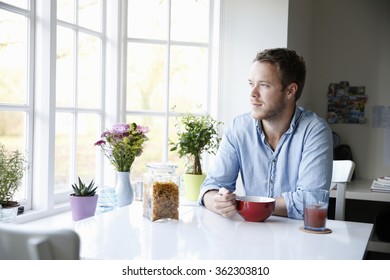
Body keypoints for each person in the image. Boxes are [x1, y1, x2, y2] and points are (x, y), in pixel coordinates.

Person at [198, 48, 333, 220]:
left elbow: (310, 202)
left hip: (297, 239)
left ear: (290, 91)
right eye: (250, 84)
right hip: (249, 234)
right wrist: (217, 200)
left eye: (264, 85)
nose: (253, 93)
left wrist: (245, 203)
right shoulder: (238, 128)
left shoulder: (315, 131)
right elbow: (211, 187)